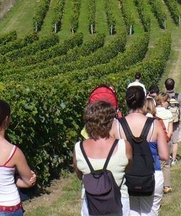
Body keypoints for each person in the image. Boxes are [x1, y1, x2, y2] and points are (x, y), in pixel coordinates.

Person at [74, 100, 133, 216]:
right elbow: (128, 168)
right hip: (119, 202)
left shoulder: (79, 148)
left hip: (91, 204)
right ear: (110, 122)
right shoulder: (123, 146)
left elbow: (79, 174)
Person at [118, 84, 169, 215]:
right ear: (144, 102)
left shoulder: (117, 125)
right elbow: (164, 155)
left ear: (126, 102)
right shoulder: (155, 124)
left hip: (126, 176)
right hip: (152, 174)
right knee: (150, 211)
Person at [164, 78, 181, 167]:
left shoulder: (163, 97)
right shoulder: (179, 97)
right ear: (174, 85)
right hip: (175, 121)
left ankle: (166, 158)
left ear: (165, 86)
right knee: (175, 141)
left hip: (166, 121)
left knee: (166, 140)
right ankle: (173, 159)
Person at [154, 93, 174, 194]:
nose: (168, 103)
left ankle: (157, 183)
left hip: (155, 139)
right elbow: (170, 128)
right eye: (167, 101)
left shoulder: (153, 112)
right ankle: (166, 185)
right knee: (166, 163)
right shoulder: (168, 113)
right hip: (166, 139)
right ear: (162, 102)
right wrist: (168, 136)